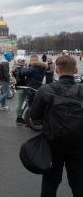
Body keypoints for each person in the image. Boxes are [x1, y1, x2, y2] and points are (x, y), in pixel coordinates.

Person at [31, 55, 83, 196]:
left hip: (53, 143)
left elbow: (34, 116)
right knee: (78, 183)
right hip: (79, 144)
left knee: (50, 182)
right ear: (76, 70)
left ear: (57, 71)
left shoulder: (46, 89)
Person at [12, 56, 27, 125]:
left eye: (23, 61)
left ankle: (19, 117)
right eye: (21, 61)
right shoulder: (19, 69)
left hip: (19, 87)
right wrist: (26, 80)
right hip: (21, 87)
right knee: (21, 103)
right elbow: (18, 80)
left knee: (22, 103)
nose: (23, 62)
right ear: (18, 62)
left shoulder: (16, 69)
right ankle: (18, 118)